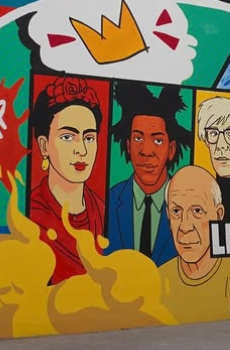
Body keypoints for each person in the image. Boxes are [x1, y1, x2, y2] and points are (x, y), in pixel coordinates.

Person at [28, 77, 104, 285]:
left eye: (89, 138)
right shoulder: (30, 216)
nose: (82, 150)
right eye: (68, 137)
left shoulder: (102, 211)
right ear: (44, 146)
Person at [159, 165, 230, 322]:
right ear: (168, 215)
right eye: (176, 211)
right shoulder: (159, 279)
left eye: (197, 211)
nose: (185, 226)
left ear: (218, 215)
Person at [107, 83, 190, 265]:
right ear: (128, 146)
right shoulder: (108, 201)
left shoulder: (191, 206)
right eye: (138, 138)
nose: (146, 151)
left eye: (158, 140)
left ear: (171, 149)